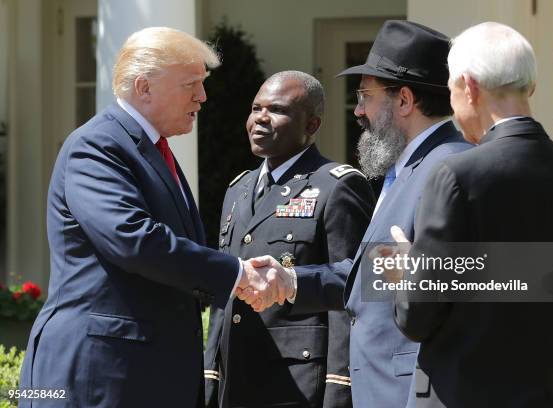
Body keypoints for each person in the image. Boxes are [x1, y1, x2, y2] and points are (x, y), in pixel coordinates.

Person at [18, 27, 290, 408]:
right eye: (191, 84)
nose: (203, 96)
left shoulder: (151, 148)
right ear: (144, 87)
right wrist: (237, 274)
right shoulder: (97, 146)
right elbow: (134, 240)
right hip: (99, 374)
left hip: (143, 374)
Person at [240, 21, 473, 408]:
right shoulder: (406, 169)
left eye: (365, 95)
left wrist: (422, 273)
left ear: (404, 101)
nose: (358, 110)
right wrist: (291, 279)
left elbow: (499, 279)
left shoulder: (448, 168)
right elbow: (375, 274)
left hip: (413, 393)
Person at [392, 22, 553, 407]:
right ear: (531, 87)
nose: (454, 108)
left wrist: (408, 270)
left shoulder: (456, 175)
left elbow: (416, 320)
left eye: (453, 90)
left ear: (469, 87)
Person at [204, 71, 375, 408]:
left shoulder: (336, 186)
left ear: (311, 125)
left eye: (277, 110)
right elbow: (224, 296)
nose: (260, 120)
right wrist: (211, 373)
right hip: (236, 380)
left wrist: (340, 386)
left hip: (299, 383)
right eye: (256, 108)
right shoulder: (238, 189)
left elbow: (351, 288)